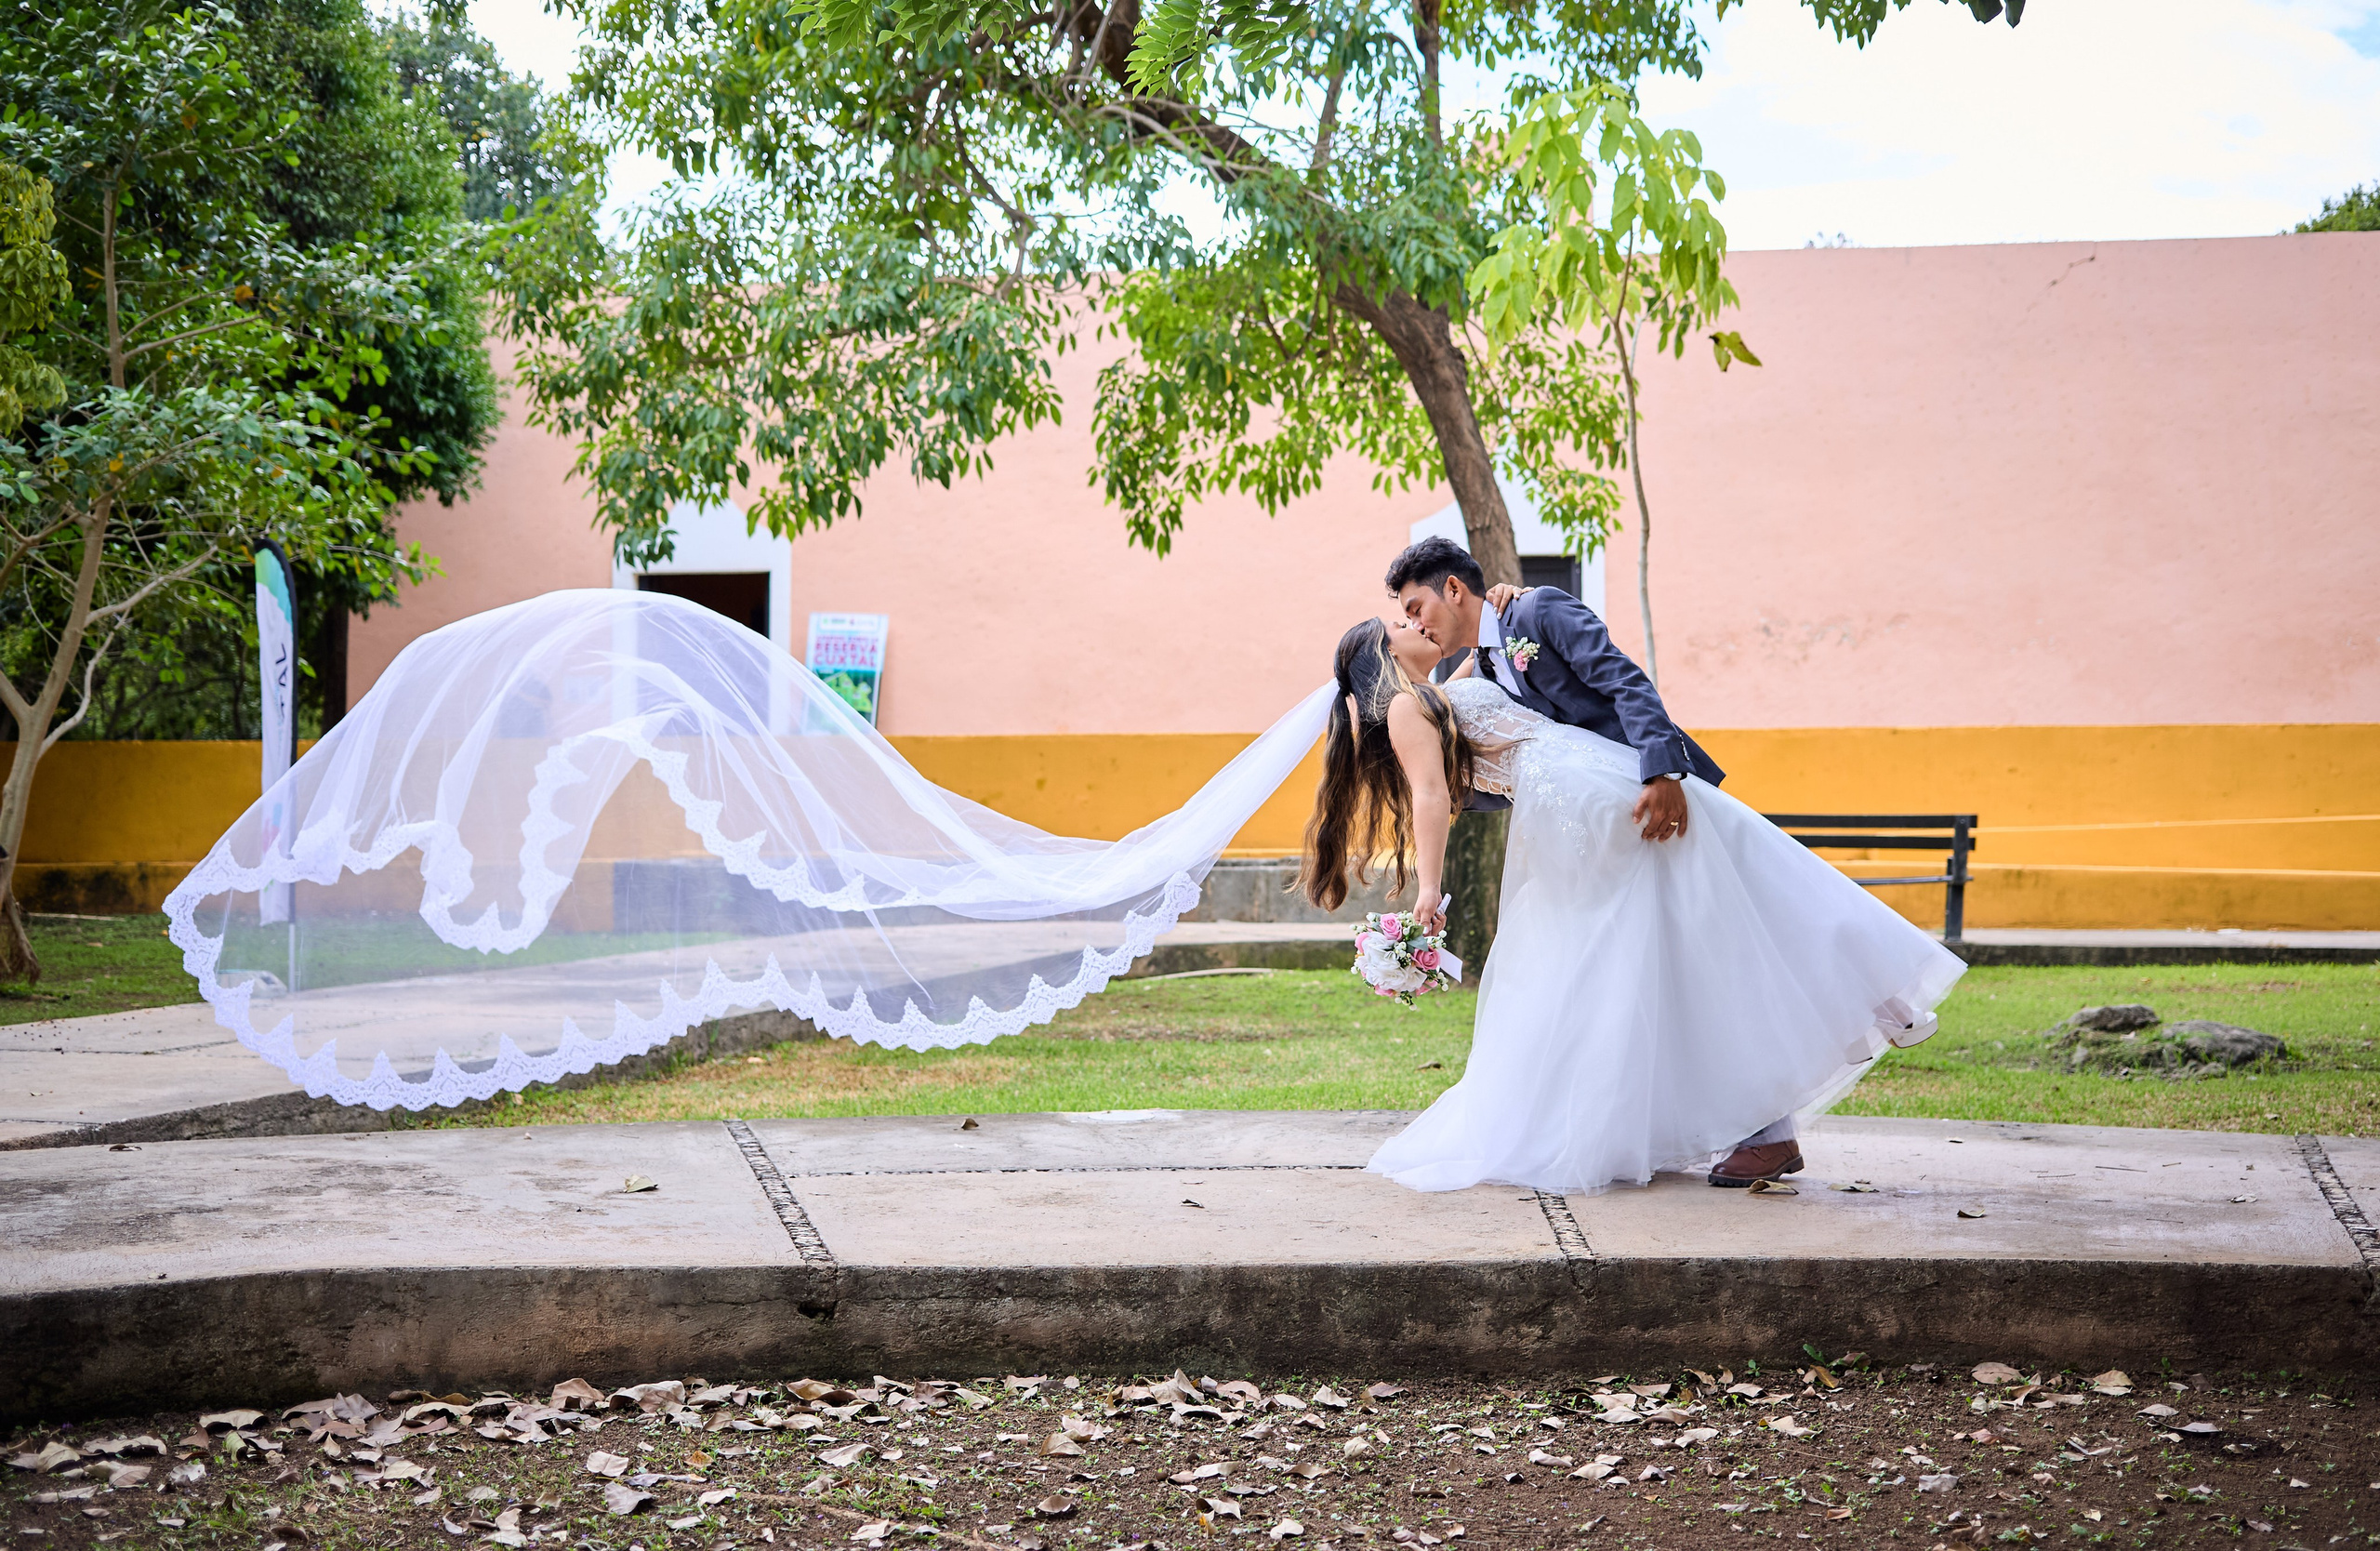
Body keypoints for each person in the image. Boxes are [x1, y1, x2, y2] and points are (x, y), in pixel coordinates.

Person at [1298, 539, 1963, 1194]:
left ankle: (1864, 1004)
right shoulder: (1452, 686)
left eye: (1415, 609)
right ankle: (1771, 1105)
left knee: (1733, 894)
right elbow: (1446, 787)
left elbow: (1623, 679)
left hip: (1631, 785)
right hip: (1580, 812)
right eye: (1402, 622)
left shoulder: (1529, 617)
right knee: (1668, 945)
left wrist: (1661, 771)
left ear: (1453, 589)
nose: (1415, 624)